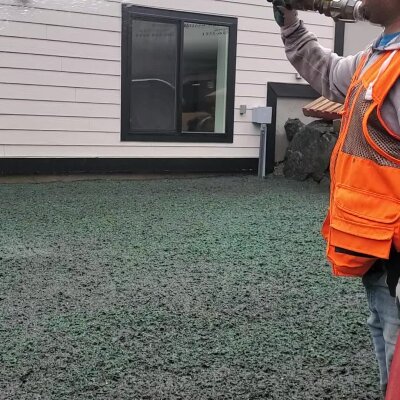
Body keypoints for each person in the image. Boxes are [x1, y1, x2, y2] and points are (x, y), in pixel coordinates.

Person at [267, 0, 400, 396]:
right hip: (376, 247)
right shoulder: (378, 56)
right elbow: (326, 71)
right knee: (385, 339)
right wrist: (289, 22)